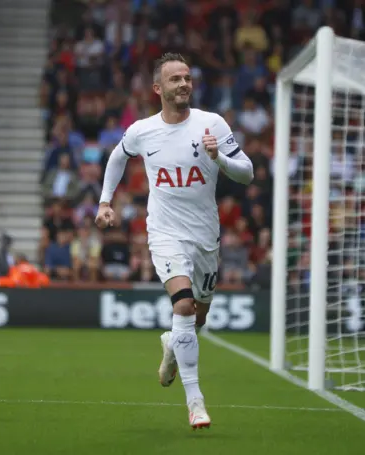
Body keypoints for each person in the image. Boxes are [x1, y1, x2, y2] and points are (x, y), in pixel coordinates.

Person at [95, 53, 253, 429]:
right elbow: (118, 157)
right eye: (175, 79)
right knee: (182, 306)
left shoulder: (211, 124)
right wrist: (104, 201)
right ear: (157, 88)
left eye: (187, 77)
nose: (183, 84)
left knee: (196, 318)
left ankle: (171, 346)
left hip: (205, 236)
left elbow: (246, 172)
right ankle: (195, 402)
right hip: (164, 233)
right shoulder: (142, 131)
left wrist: (220, 159)